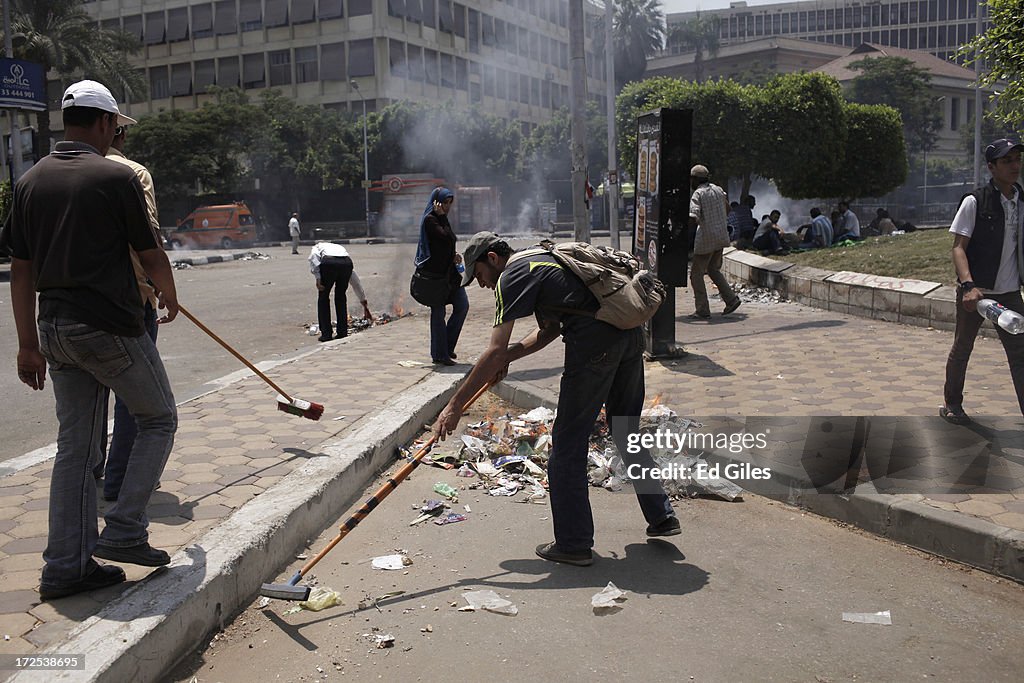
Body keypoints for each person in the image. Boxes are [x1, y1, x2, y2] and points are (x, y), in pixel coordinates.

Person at [9, 80, 180, 601]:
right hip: (108, 326)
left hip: (53, 331)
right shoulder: (115, 176)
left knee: (77, 451)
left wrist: (26, 345)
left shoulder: (31, 181)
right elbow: (150, 253)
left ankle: (66, 568)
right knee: (158, 418)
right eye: (115, 127)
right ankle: (126, 531)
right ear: (105, 123)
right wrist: (168, 295)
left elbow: (20, 270)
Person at [432, 232, 680, 566]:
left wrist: (454, 406)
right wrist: (507, 358)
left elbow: (493, 349)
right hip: (629, 336)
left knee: (567, 445)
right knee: (625, 429)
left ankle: (574, 543)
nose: (480, 284)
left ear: (492, 258)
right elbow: (547, 332)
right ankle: (661, 515)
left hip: (595, 346)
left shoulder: (511, 276)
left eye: (478, 275)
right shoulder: (543, 259)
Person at [95, 122, 165, 502]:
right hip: (130, 303)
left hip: (75, 308)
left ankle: (92, 474)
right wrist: (163, 289)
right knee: (142, 405)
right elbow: (148, 238)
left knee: (88, 402)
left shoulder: (54, 174)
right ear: (116, 132)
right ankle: (121, 483)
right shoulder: (133, 173)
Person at [941, 138, 1024, 425]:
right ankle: (953, 403)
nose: (1015, 165)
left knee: (1020, 354)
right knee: (963, 347)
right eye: (1007, 161)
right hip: (978, 294)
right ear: (991, 167)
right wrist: (967, 285)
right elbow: (958, 247)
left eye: (1017, 159)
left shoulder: (1021, 200)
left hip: (1010, 293)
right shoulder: (975, 201)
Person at [414, 187, 468, 366]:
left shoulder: (442, 220)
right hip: (435, 277)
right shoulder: (430, 220)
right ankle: (439, 354)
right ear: (436, 202)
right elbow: (446, 237)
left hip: (450, 275)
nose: (447, 207)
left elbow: (450, 240)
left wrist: (453, 255)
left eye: (449, 203)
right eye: (445, 203)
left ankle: (446, 347)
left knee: (462, 306)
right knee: (439, 313)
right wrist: (442, 217)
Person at [688, 165, 742, 320]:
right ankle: (731, 299)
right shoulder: (718, 190)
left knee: (696, 275)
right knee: (713, 270)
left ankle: (702, 309)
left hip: (706, 239)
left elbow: (694, 216)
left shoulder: (698, 194)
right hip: (721, 236)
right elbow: (728, 208)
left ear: (696, 179)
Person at [308, 241, 372, 342]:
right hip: (347, 263)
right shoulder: (340, 250)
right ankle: (342, 332)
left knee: (323, 297)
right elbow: (356, 283)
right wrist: (363, 302)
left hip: (329, 264)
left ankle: (326, 334)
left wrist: (318, 278)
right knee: (341, 297)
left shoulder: (317, 247)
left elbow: (314, 259)